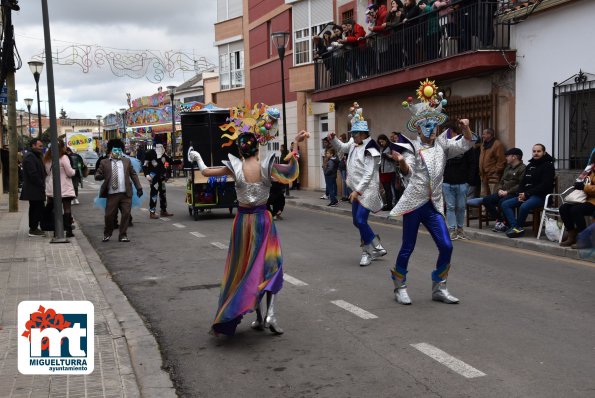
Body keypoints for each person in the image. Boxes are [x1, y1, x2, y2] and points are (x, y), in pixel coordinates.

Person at [190, 104, 309, 336]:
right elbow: (290, 170)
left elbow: (205, 172)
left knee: (247, 269)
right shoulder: (267, 166)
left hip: (243, 224)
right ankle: (270, 313)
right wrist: (295, 145)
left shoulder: (235, 167)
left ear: (240, 151)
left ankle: (258, 317)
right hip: (264, 221)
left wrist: (197, 157)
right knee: (270, 265)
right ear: (257, 149)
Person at [389, 82, 474, 305]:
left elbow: (465, 144)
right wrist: (401, 164)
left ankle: (439, 286)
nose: (432, 128)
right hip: (414, 203)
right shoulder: (411, 147)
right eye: (427, 124)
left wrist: (465, 128)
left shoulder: (443, 145)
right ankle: (400, 286)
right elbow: (407, 169)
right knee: (408, 246)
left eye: (435, 124)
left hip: (433, 205)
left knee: (446, 245)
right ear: (417, 127)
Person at [328, 103, 387, 267]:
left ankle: (368, 252)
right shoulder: (354, 144)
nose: (352, 136)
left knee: (361, 220)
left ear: (363, 133)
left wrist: (358, 191)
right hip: (356, 189)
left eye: (354, 134)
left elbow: (369, 173)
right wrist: (333, 139)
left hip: (367, 190)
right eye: (352, 133)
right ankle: (376, 244)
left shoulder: (372, 147)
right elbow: (342, 147)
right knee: (356, 221)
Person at [501, 144, 555, 238]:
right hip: (527, 195)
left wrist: (527, 194)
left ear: (544, 152)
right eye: (534, 151)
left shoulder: (548, 166)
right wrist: (520, 193)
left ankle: (517, 228)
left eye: (539, 151)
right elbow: (523, 182)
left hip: (541, 196)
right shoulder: (530, 165)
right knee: (505, 204)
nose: (536, 153)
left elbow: (544, 185)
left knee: (524, 206)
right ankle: (515, 227)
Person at [95, 139, 143, 243]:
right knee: (109, 215)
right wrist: (102, 176)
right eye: (115, 150)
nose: (117, 152)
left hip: (125, 193)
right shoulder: (104, 162)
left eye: (119, 150)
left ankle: (123, 235)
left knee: (126, 214)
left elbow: (133, 174)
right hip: (112, 194)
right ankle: (107, 233)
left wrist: (139, 187)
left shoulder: (126, 161)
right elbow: (97, 175)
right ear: (110, 151)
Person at [483, 148, 526, 233]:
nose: (506, 158)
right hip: (503, 192)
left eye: (507, 156)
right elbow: (501, 181)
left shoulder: (523, 168)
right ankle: (500, 220)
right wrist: (499, 189)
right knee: (486, 200)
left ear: (514, 157)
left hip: (514, 193)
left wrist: (507, 192)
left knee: (503, 202)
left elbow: (521, 185)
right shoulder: (508, 167)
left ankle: (507, 224)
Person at [442, 128, 474, 240]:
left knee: (461, 207)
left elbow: (472, 163)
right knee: (450, 207)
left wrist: (469, 180)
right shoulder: (444, 146)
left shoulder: (465, 145)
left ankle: (460, 230)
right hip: (447, 182)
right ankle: (452, 230)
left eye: (449, 133)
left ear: (455, 133)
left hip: (462, 182)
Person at [559, 150, 595, 247]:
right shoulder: (590, 169)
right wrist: (579, 184)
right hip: (585, 199)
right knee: (564, 208)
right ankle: (572, 234)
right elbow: (581, 181)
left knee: (576, 210)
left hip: (593, 201)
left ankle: (585, 239)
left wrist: (584, 187)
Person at [43, 139, 76, 238]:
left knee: (54, 209)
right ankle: (68, 230)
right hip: (64, 187)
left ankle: (56, 229)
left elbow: (48, 173)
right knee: (67, 208)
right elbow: (70, 172)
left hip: (52, 188)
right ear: (62, 147)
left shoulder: (47, 158)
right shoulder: (64, 157)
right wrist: (74, 171)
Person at [20, 138, 46, 237]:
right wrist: (41, 183)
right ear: (33, 145)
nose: (41, 148)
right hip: (33, 188)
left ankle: (35, 227)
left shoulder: (35, 156)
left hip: (36, 188)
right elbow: (33, 174)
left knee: (37, 207)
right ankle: (33, 229)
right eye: (39, 146)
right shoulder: (30, 157)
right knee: (36, 208)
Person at [143, 142, 174, 219]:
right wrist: (147, 175)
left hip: (162, 177)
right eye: (159, 146)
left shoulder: (163, 154)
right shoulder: (149, 153)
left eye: (162, 146)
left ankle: (163, 210)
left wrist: (180, 162)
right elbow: (145, 165)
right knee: (154, 194)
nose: (161, 148)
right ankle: (152, 212)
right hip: (153, 177)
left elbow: (170, 161)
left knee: (163, 193)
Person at [479, 128, 506, 196]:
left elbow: (501, 160)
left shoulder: (497, 144)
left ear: (489, 134)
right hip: (483, 175)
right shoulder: (483, 145)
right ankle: (484, 207)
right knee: (483, 195)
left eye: (483, 134)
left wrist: (495, 171)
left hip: (493, 175)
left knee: (493, 195)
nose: (482, 136)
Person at [378, 134, 397, 211]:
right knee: (386, 189)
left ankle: (391, 205)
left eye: (382, 142)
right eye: (380, 142)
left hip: (390, 171)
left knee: (391, 189)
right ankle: (388, 204)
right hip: (383, 171)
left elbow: (394, 158)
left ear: (385, 140)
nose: (381, 143)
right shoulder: (382, 148)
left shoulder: (390, 147)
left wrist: (386, 156)